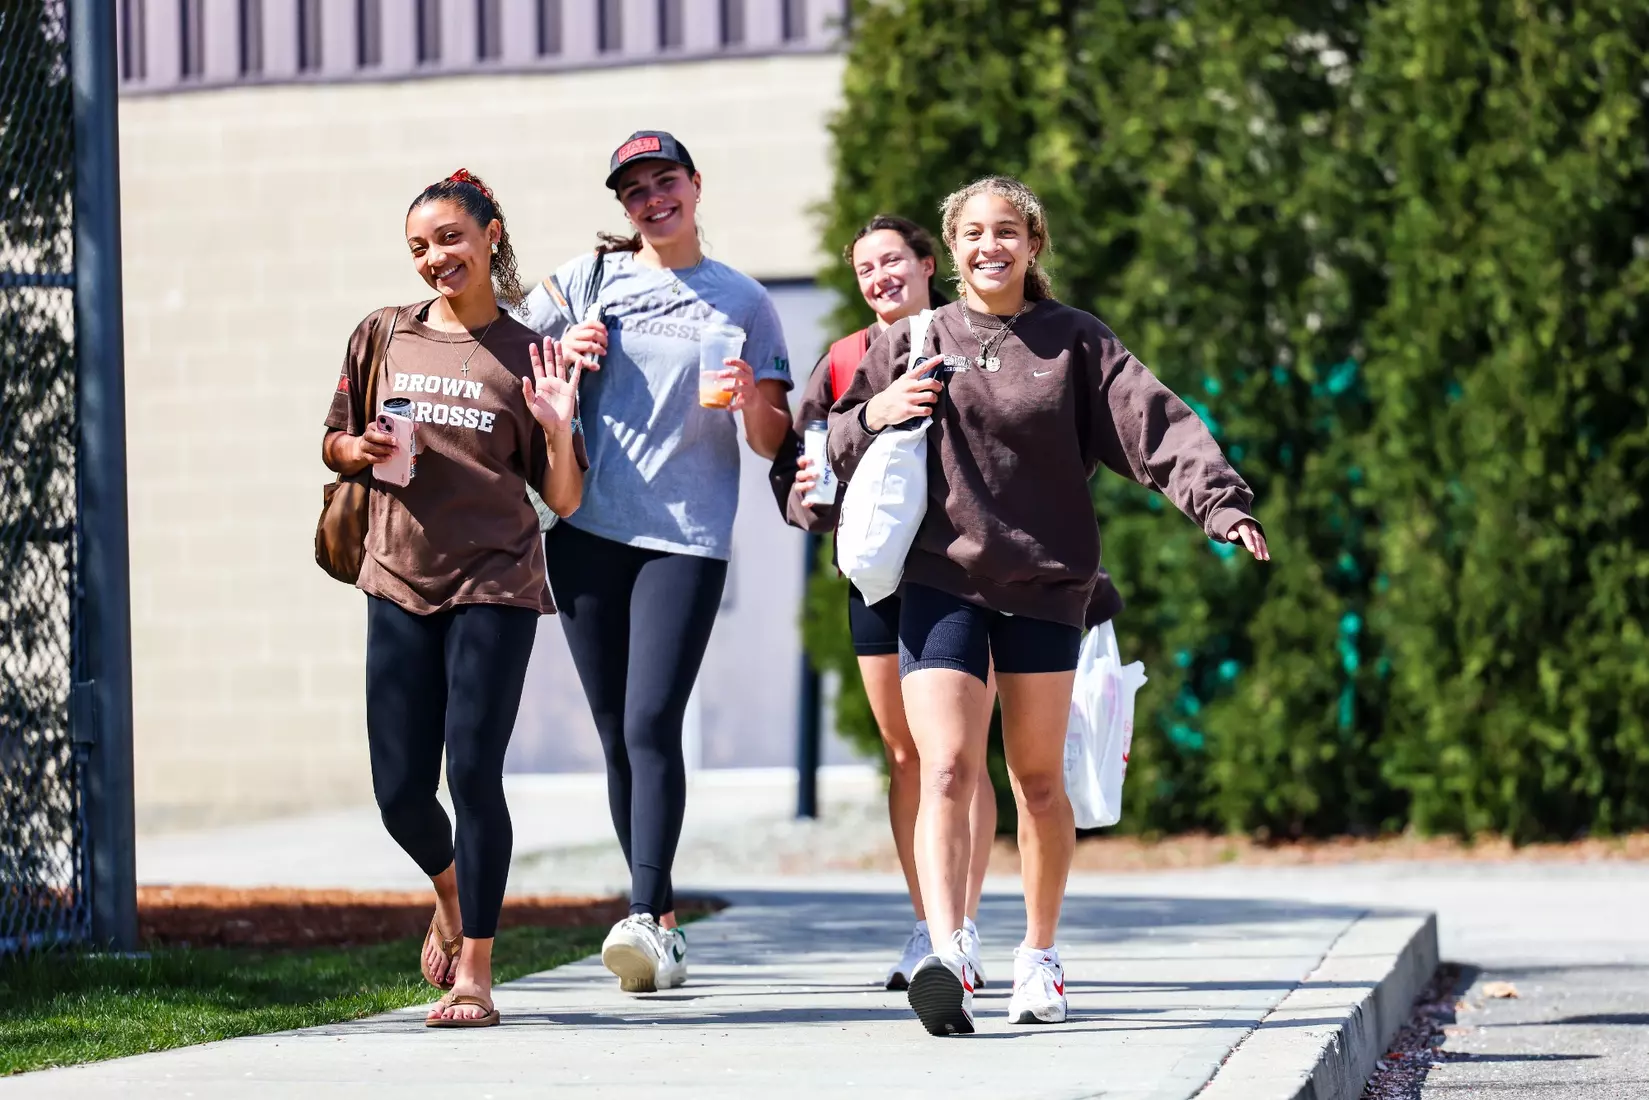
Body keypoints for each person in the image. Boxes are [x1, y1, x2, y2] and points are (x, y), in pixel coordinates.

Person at [828, 176, 1269, 1037]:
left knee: (1036, 782)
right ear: (951, 251)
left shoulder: (1076, 342)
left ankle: (1038, 956)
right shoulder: (917, 337)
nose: (987, 246)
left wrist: (1221, 505)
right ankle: (948, 949)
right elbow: (838, 437)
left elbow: (1157, 426)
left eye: (1005, 231)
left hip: (1044, 583)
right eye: (971, 234)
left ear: (1032, 244)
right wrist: (878, 409)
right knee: (946, 767)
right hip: (941, 580)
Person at [781, 215, 1125, 990]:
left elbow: (1080, 442)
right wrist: (835, 453)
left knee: (992, 765)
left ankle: (987, 938)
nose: (880, 277)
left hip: (984, 573)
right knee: (921, 759)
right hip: (890, 571)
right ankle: (938, 936)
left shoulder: (1015, 339)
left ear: (927, 263)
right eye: (865, 268)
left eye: (892, 261)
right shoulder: (855, 355)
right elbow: (810, 458)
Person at [518, 131, 793, 994]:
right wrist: (564, 353)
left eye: (664, 181)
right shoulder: (585, 280)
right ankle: (661, 923)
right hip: (587, 526)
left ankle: (640, 913)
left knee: (649, 721)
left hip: (685, 536)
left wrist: (748, 399)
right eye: (634, 190)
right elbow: (503, 353)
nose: (652, 199)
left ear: (695, 185)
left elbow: (770, 439)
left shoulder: (744, 299)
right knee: (615, 733)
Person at [320, 170, 585, 1028]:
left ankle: (476, 972)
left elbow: (565, 498)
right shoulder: (382, 333)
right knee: (400, 792)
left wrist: (556, 429)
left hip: (495, 581)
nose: (435, 257)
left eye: (449, 238)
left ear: (490, 235)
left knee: (471, 771)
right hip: (396, 574)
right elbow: (331, 442)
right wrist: (358, 448)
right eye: (419, 247)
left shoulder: (529, 352)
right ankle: (450, 890)